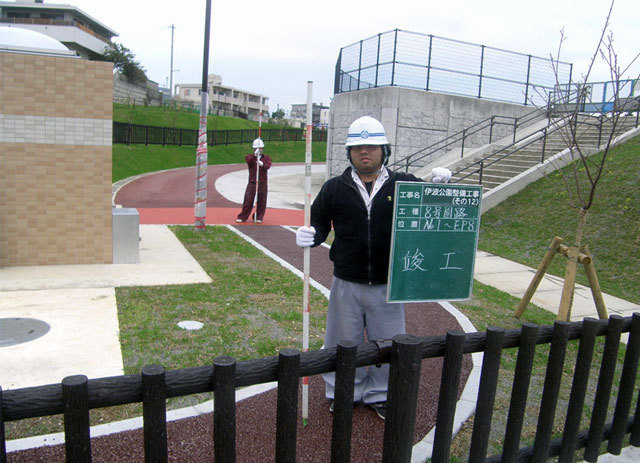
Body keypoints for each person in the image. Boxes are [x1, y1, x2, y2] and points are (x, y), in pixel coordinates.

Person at [295, 116, 451, 420]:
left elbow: (435, 210)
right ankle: (344, 392)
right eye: (357, 147)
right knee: (343, 341)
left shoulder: (403, 185)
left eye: (371, 147)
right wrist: (310, 235)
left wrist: (438, 185)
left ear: (384, 150)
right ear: (349, 152)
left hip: (388, 282)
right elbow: (318, 224)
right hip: (346, 281)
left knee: (389, 343)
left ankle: (382, 394)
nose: (364, 152)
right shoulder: (333, 188)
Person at [236, 138, 272, 223]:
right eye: (257, 148)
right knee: (248, 200)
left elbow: (268, 166)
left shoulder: (266, 158)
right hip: (252, 182)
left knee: (262, 200)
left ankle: (259, 216)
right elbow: (248, 161)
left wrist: (262, 164)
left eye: (260, 148)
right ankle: (243, 216)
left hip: (262, 182)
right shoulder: (250, 157)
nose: (259, 150)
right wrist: (255, 156)